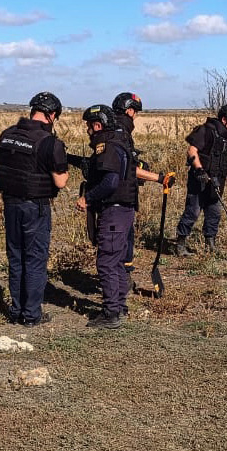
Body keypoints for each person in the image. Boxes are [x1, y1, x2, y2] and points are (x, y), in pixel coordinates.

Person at [0, 92, 69, 326]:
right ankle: (31, 315)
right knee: (35, 260)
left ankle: (16, 311)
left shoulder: (7, 135)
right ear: (52, 115)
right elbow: (61, 182)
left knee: (16, 257)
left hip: (10, 204)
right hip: (35, 207)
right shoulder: (50, 143)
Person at [76, 104, 137, 329]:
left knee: (107, 262)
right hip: (124, 211)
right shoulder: (119, 143)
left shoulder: (108, 148)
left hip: (114, 212)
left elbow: (110, 182)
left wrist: (88, 198)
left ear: (98, 125)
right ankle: (119, 306)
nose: (87, 131)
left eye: (89, 126)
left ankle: (111, 313)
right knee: (118, 261)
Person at [111, 92, 172, 286]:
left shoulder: (116, 129)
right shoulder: (120, 132)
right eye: (135, 112)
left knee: (124, 236)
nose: (136, 116)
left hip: (118, 194)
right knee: (122, 239)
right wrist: (159, 178)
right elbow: (128, 168)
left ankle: (122, 276)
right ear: (129, 110)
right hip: (118, 197)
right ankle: (121, 279)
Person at [174, 104, 227, 256]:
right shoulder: (205, 130)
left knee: (214, 212)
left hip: (217, 180)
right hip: (200, 178)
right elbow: (192, 150)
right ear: (224, 119)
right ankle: (180, 244)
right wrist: (199, 170)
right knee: (193, 211)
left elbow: (226, 158)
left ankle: (210, 244)